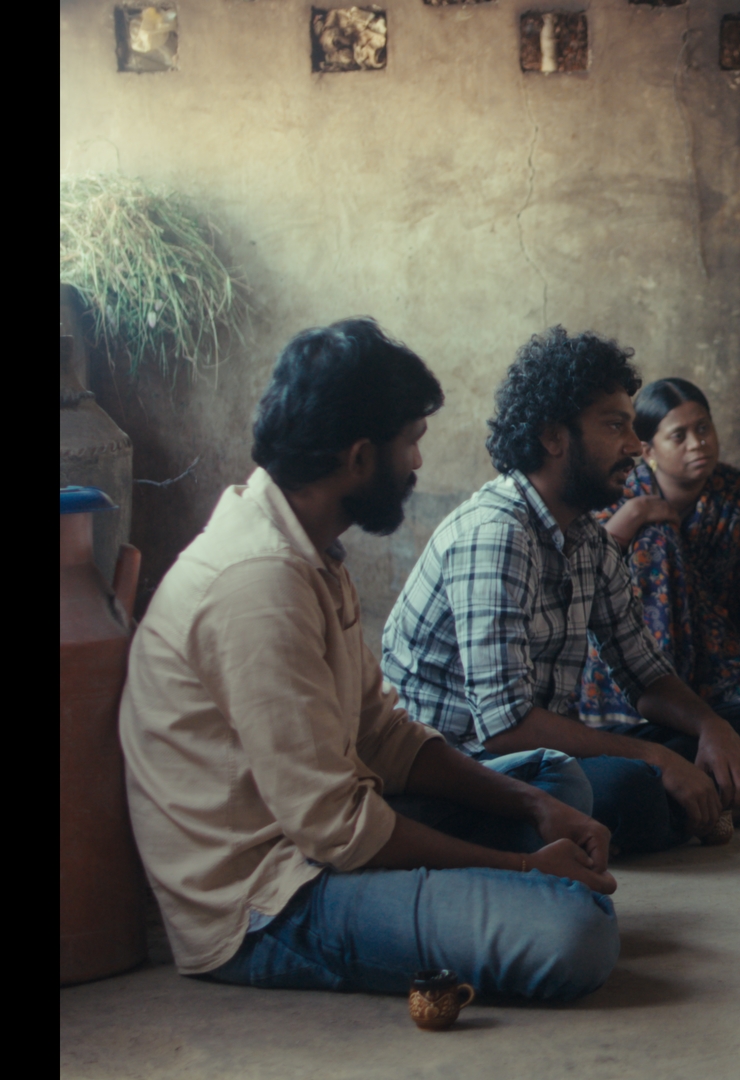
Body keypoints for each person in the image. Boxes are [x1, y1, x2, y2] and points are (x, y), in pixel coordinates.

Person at [120, 319, 619, 1000]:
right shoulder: (258, 583)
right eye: (410, 443)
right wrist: (524, 869)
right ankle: (512, 892)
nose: (417, 464)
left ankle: (508, 867)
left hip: (325, 841)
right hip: (270, 900)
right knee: (574, 935)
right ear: (358, 458)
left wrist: (530, 808)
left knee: (556, 786)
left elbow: (381, 735)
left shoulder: (308, 545)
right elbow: (337, 827)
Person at [382, 327, 740, 861]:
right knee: (624, 790)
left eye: (632, 428)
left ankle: (688, 804)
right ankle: (687, 807)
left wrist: (711, 727)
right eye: (615, 426)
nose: (635, 447)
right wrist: (659, 760)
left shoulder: (585, 537)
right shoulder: (496, 534)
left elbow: (645, 672)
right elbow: (503, 727)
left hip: (541, 759)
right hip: (467, 772)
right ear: (553, 436)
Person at [577, 378, 740, 739]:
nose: (697, 443)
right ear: (648, 449)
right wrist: (632, 516)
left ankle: (693, 710)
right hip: (633, 648)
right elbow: (582, 572)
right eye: (679, 436)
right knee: (655, 540)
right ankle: (655, 705)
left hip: (710, 646)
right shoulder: (621, 489)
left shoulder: (738, 493)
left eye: (703, 429)